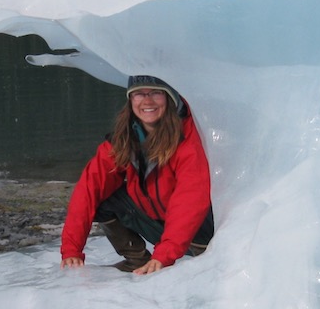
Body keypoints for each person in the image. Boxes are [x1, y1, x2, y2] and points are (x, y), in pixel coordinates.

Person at [60, 74, 214, 275]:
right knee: (102, 200)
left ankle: (201, 258)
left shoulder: (188, 138)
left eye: (156, 93)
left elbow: (190, 200)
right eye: (139, 94)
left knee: (196, 221)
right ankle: (137, 260)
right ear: (130, 99)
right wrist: (72, 249)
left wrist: (165, 254)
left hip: (200, 233)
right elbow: (89, 189)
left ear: (170, 98)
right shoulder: (126, 137)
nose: (147, 101)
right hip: (161, 226)